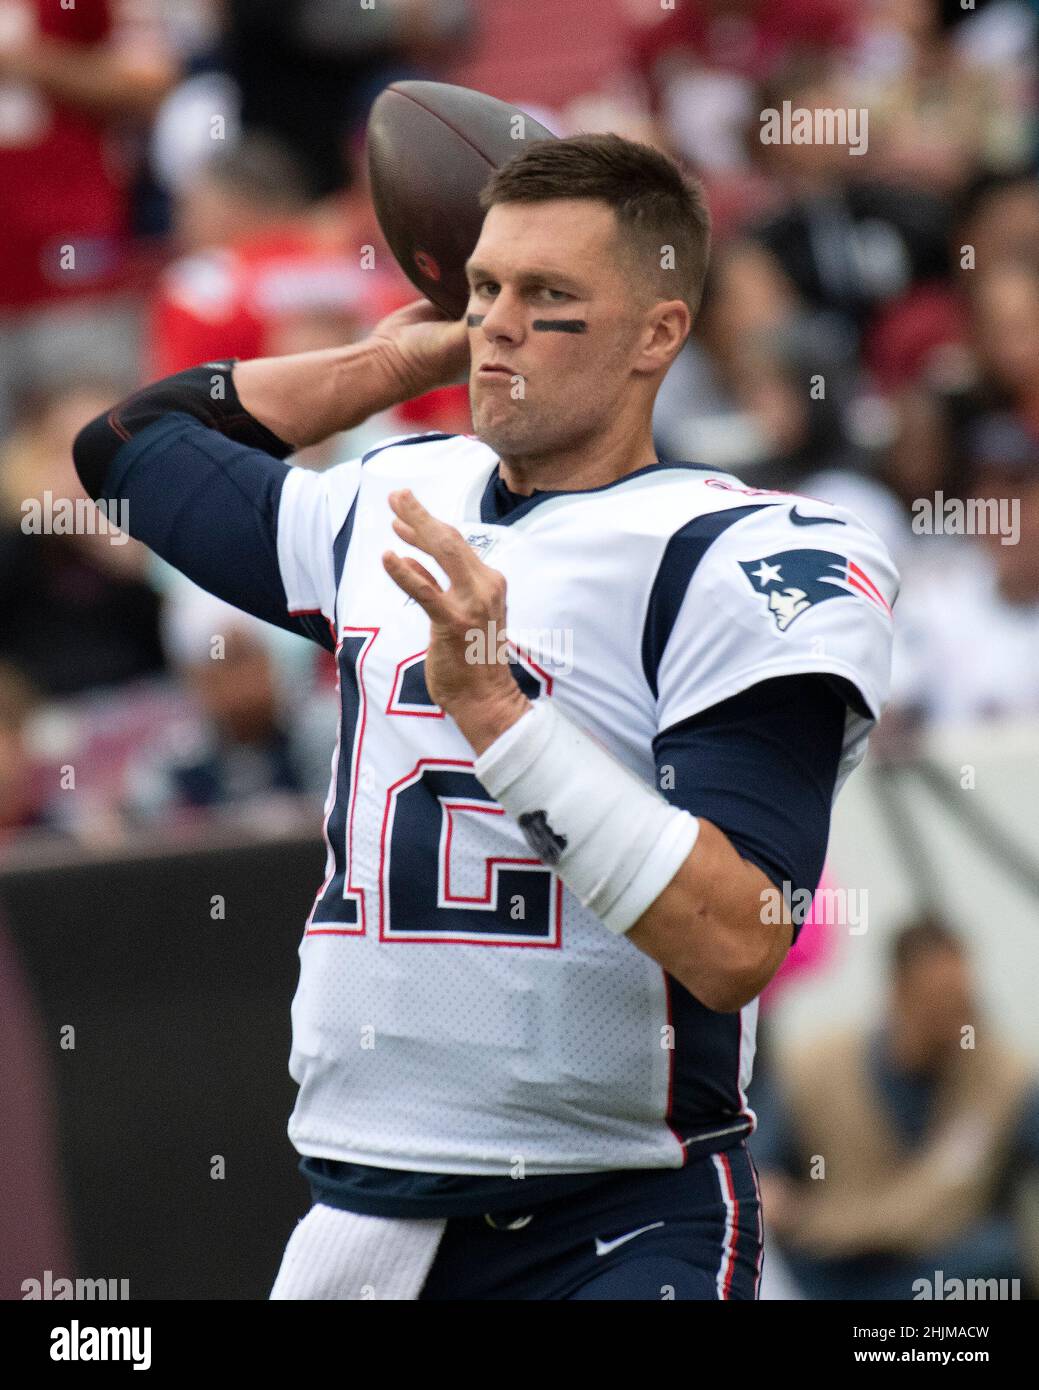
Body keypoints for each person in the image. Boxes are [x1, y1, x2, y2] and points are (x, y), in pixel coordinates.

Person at [72, 132, 898, 1300]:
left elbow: (733, 941)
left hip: (612, 1213)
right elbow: (130, 445)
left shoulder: (739, 550)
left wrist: (498, 717)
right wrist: (396, 358)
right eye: (484, 289)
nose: (499, 324)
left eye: (547, 296)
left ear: (658, 333)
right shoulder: (392, 500)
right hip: (362, 1217)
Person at [753, 917, 1039, 1300]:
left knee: (996, 1255)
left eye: (962, 1003)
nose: (956, 1022)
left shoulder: (1005, 1080)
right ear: (898, 994)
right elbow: (760, 1170)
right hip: (831, 1263)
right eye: (939, 1005)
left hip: (939, 1264)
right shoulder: (818, 1068)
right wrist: (775, 1196)